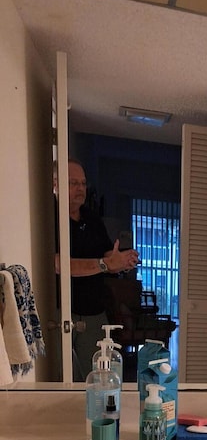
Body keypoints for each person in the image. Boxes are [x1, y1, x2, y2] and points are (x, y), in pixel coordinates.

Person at [55, 159, 139, 380]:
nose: (81, 188)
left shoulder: (92, 218)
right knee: (55, 378)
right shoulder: (48, 216)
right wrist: (104, 264)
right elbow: (57, 264)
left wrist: (119, 259)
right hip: (59, 312)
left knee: (100, 377)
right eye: (73, 183)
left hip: (94, 310)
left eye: (83, 183)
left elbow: (106, 254)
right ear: (55, 184)